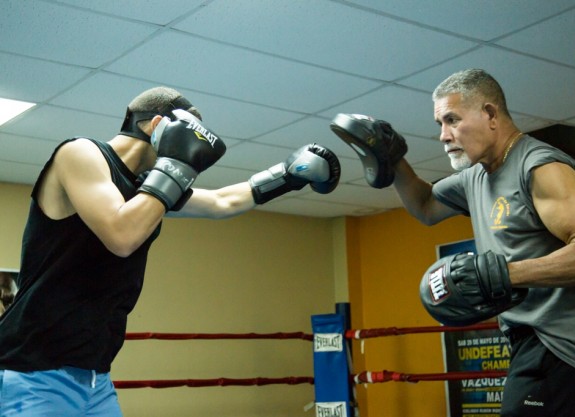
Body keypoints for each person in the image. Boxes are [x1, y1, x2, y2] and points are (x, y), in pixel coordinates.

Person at [0, 86, 341, 417]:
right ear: (156, 124)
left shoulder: (146, 188)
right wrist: (176, 166)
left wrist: (287, 175)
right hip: (32, 372)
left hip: (95, 379)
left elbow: (222, 202)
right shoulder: (80, 153)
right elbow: (122, 236)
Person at [331, 69, 575, 417]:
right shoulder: (476, 178)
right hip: (530, 340)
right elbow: (424, 206)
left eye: (452, 119)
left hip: (566, 343)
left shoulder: (540, 167)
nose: (443, 135)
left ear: (491, 115)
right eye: (440, 123)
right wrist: (392, 159)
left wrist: (503, 274)